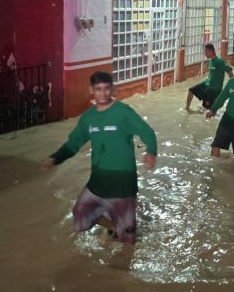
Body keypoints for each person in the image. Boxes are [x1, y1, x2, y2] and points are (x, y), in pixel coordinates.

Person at [41, 71, 157, 244]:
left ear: (113, 89)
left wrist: (151, 151)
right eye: (98, 89)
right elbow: (73, 143)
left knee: (128, 241)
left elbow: (147, 132)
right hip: (97, 181)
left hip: (122, 183)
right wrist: (55, 158)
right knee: (80, 214)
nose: (103, 93)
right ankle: (113, 227)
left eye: (107, 88)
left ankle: (123, 237)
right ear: (91, 90)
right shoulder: (88, 118)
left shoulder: (124, 112)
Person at [186, 43, 233, 111]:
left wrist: (232, 84)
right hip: (206, 85)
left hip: (214, 90)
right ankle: (187, 108)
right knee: (191, 90)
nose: (204, 54)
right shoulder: (210, 60)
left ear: (211, 51)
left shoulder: (220, 61)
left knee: (207, 110)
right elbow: (212, 74)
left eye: (205, 52)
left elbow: (229, 71)